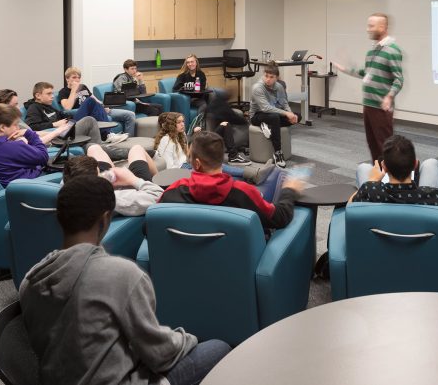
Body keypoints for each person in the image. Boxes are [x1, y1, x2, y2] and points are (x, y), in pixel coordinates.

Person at [19, 175, 231, 385]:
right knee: (219, 348)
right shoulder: (122, 275)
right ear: (105, 219)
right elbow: (160, 354)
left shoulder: (29, 281)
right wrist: (187, 339)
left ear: (59, 217)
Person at [160, 131, 304, 232]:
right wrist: (289, 190)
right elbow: (280, 218)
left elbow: (149, 227)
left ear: (196, 163)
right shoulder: (244, 192)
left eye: (189, 156)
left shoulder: (173, 191)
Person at [349, 135, 438, 230]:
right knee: (431, 164)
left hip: (379, 257)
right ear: (415, 164)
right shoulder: (437, 197)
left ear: (384, 167)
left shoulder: (370, 192)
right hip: (427, 258)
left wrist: (372, 180)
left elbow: (350, 207)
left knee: (363, 168)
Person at [333, 13, 404, 163]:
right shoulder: (372, 51)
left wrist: (389, 96)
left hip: (381, 107)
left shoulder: (392, 50)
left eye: (371, 26)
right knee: (373, 145)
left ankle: (390, 179)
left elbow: (398, 79)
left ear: (383, 27)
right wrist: (346, 69)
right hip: (368, 105)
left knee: (385, 146)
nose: (368, 29)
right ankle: (378, 176)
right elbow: (367, 73)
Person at [154, 112, 273, 185]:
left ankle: (253, 175)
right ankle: (252, 175)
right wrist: (189, 170)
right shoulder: (166, 140)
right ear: (171, 125)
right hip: (179, 170)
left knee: (216, 167)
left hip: (187, 164)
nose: (183, 124)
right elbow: (169, 167)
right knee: (214, 170)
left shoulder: (181, 135)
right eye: (179, 122)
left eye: (183, 121)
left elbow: (184, 155)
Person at [62, 145, 163, 217]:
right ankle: (159, 179)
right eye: (99, 174)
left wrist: (102, 177)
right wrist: (132, 179)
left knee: (94, 148)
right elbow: (158, 195)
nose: (102, 174)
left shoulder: (67, 185)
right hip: (135, 187)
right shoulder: (116, 199)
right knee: (137, 149)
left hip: (103, 184)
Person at [0, 104, 52, 187]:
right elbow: (43, 157)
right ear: (2, 127)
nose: (18, 128)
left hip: (12, 183)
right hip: (28, 185)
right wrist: (30, 134)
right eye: (15, 124)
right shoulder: (10, 147)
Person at [23, 82, 128, 145]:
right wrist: (54, 125)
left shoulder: (48, 106)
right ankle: (107, 136)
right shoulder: (34, 108)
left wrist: (69, 117)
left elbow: (62, 115)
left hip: (68, 125)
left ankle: (106, 135)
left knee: (95, 105)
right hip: (62, 132)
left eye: (52, 93)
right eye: (49, 93)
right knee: (90, 101)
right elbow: (32, 127)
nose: (52, 96)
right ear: (38, 95)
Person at [59, 66, 136, 137]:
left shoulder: (83, 87)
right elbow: (67, 108)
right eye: (74, 77)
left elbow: (95, 99)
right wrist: (74, 90)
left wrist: (104, 106)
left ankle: (128, 140)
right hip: (87, 115)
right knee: (101, 112)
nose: (77, 80)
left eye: (79, 77)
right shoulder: (63, 92)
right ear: (67, 79)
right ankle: (109, 135)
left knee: (130, 115)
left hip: (100, 110)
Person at [249, 63, 297, 168]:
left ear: (277, 78)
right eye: (266, 76)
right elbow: (265, 108)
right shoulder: (257, 88)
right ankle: (278, 153)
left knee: (298, 116)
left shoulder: (279, 86)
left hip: (273, 113)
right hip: (257, 115)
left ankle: (268, 125)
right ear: (263, 75)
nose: (268, 79)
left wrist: (291, 114)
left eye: (271, 77)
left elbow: (284, 103)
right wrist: (286, 113)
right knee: (274, 117)